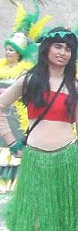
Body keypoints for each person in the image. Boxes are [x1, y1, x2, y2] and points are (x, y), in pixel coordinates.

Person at [0, 28, 78, 231]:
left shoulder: (76, 87)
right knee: (37, 223)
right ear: (47, 49)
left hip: (67, 158)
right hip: (35, 159)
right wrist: (12, 143)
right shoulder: (29, 80)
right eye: (58, 47)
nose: (63, 53)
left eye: (68, 49)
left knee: (66, 219)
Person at [0, 33, 34, 192]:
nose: (7, 52)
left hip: (15, 114)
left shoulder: (25, 70)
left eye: (11, 50)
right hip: (1, 112)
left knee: (13, 138)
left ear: (19, 52)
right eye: (6, 49)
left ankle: (14, 184)